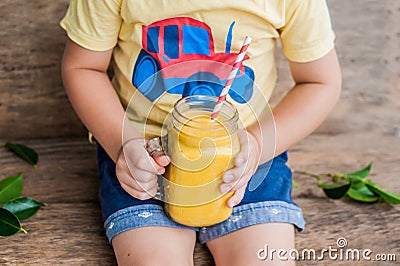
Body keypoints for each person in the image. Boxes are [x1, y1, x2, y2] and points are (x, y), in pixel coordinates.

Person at [60, 0, 341, 265]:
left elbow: (319, 81)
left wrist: (257, 144)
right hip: (144, 159)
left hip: (247, 159)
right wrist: (123, 143)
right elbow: (83, 66)